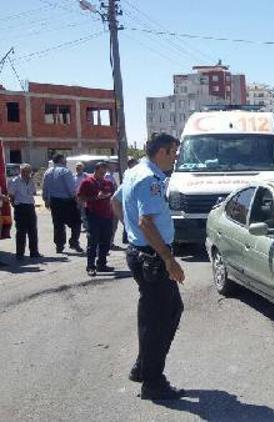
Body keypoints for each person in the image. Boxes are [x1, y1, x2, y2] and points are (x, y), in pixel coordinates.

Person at [113, 133, 185, 400]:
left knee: (154, 314)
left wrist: (130, 231)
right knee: (161, 319)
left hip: (141, 252)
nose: (176, 158)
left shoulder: (135, 172)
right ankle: (153, 382)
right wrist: (168, 259)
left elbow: (115, 202)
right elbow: (146, 222)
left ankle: (142, 367)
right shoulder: (149, 179)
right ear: (162, 152)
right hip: (153, 258)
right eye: (174, 153)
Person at [77, 162, 116, 276]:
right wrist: (96, 197)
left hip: (108, 215)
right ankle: (90, 266)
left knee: (106, 241)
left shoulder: (108, 182)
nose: (103, 175)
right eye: (101, 172)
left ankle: (102, 264)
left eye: (105, 173)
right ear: (96, 170)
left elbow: (115, 195)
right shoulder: (87, 182)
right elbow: (80, 198)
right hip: (93, 215)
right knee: (93, 241)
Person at [43, 154, 82, 253]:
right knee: (76, 223)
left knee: (58, 224)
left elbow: (45, 187)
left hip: (54, 201)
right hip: (67, 201)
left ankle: (59, 246)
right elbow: (71, 189)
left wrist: (46, 199)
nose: (66, 161)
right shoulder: (65, 171)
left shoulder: (47, 172)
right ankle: (74, 242)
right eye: (65, 159)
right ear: (61, 160)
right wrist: (76, 200)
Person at [7, 164, 41, 261]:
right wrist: (15, 205)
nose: (27, 173)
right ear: (21, 171)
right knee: (21, 231)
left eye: (28, 171)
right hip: (20, 207)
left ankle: (34, 252)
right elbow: (11, 195)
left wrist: (32, 181)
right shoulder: (15, 181)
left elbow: (34, 192)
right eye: (25, 171)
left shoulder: (31, 181)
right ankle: (20, 254)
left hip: (30, 206)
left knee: (33, 230)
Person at [74, 162, 88, 232]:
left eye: (80, 167)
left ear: (82, 168)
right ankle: (77, 226)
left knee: (84, 213)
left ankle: (86, 227)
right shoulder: (74, 177)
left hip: (84, 197)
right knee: (77, 213)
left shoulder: (86, 176)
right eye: (77, 167)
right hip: (76, 197)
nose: (78, 168)